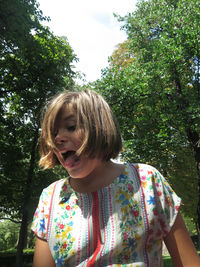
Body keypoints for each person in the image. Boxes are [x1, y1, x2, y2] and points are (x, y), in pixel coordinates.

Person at [31, 89, 200, 267]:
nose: (57, 138)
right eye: (53, 132)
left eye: (71, 127)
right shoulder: (50, 199)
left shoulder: (147, 182)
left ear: (99, 127)